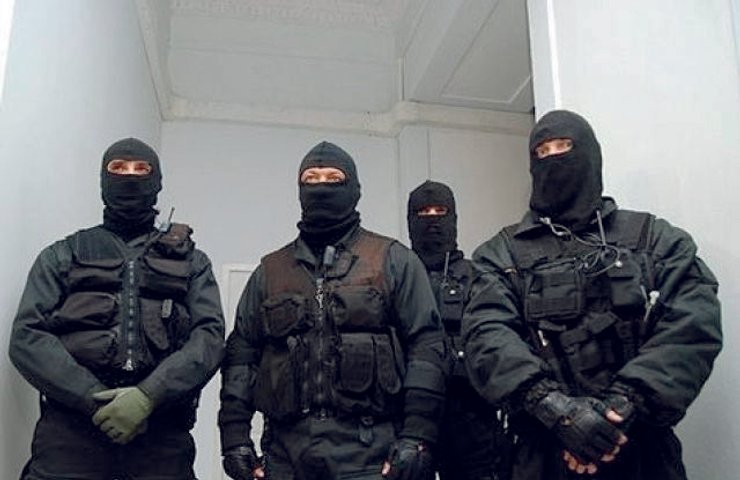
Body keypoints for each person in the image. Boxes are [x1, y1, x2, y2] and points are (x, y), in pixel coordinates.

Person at [462, 110, 722, 480]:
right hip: (543, 454)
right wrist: (557, 411)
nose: (553, 158)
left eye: (564, 146)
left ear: (590, 154)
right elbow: (486, 336)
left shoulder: (656, 239)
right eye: (542, 152)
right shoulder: (499, 255)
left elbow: (692, 325)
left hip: (643, 451)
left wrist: (626, 404)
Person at [219, 141, 448, 480]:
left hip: (370, 457)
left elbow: (426, 346)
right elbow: (241, 355)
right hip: (286, 456)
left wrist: (417, 436)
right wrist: (235, 437)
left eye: (333, 178)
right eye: (311, 178)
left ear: (354, 188)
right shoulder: (271, 271)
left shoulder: (393, 260)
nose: (321, 186)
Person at [9, 137, 226, 479]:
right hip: (69, 437)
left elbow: (209, 338)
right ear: (103, 179)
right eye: (119, 168)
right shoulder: (62, 255)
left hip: (161, 438)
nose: (130, 176)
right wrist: (91, 397)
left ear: (157, 182)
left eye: (141, 169)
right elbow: (27, 337)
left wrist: (147, 396)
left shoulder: (193, 262)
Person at [407, 180, 511, 480]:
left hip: (472, 413)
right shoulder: (398, 276)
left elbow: (497, 339)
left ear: (453, 217)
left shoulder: (480, 276)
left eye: (440, 211)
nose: (432, 220)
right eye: (423, 212)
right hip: (411, 418)